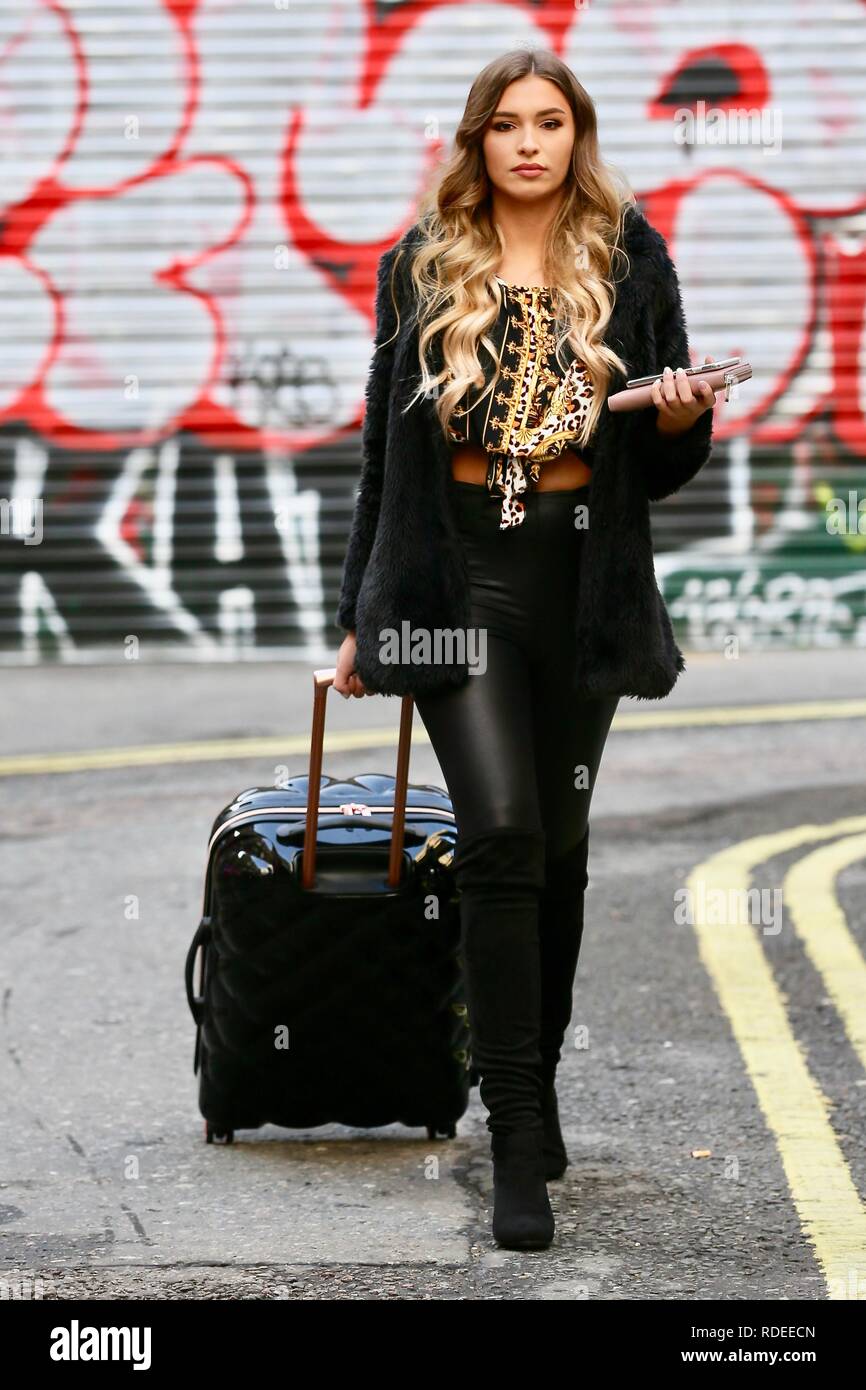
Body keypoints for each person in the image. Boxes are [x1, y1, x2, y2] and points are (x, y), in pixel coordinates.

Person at [333, 48, 716, 1251]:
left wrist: (683, 417)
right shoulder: (422, 261)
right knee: (498, 832)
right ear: (477, 143)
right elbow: (377, 456)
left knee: (555, 844)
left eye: (550, 122)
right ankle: (513, 1137)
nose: (529, 144)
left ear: (576, 135)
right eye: (506, 125)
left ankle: (532, 1090)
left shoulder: (630, 255)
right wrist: (359, 611)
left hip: (580, 577)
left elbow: (655, 466)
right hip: (457, 580)